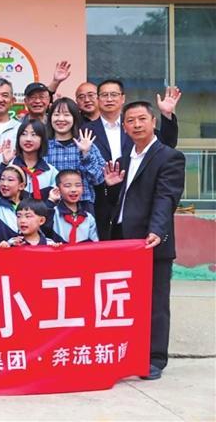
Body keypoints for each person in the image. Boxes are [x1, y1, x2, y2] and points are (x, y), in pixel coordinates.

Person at [104, 101, 185, 381]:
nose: (136, 125)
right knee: (124, 302)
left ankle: (154, 358)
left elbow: (166, 197)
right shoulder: (125, 159)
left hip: (150, 242)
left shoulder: (169, 157)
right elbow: (119, 201)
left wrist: (157, 230)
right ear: (124, 127)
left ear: (153, 122)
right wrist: (110, 188)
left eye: (141, 119)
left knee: (155, 302)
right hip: (121, 241)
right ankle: (127, 353)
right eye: (130, 121)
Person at [85, 80, 180, 239]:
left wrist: (167, 115)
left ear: (122, 98)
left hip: (146, 226)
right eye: (104, 95)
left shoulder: (144, 134)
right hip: (107, 212)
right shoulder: (86, 130)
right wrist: (110, 186)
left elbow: (167, 145)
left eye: (114, 94)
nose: (137, 125)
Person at [46, 97, 104, 210]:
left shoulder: (87, 144)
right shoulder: (43, 147)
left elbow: (98, 179)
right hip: (52, 204)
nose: (61, 119)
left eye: (67, 115)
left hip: (82, 205)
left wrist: (86, 154)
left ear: (74, 118)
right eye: (56, 114)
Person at [49, 169, 98, 243]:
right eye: (67, 186)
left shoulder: (88, 218)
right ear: (58, 188)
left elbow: (95, 244)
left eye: (78, 185)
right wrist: (51, 201)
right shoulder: (53, 213)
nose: (73, 190)